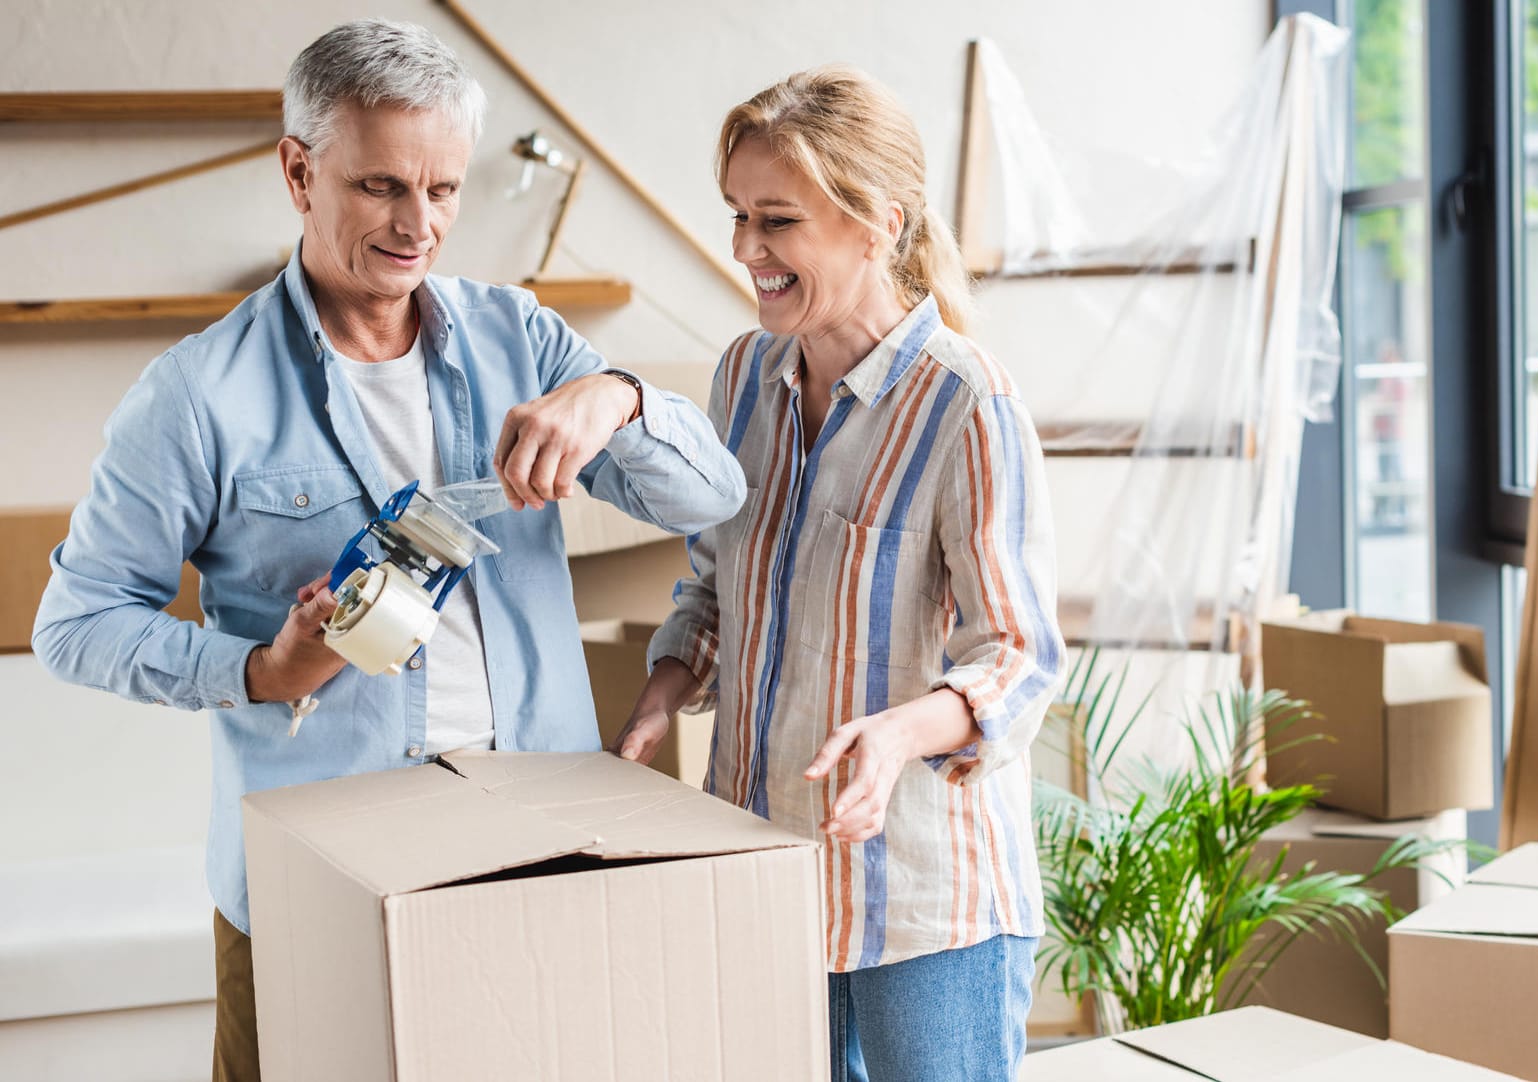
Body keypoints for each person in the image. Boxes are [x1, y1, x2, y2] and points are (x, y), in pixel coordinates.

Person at [31, 20, 743, 1082]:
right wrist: (260, 670)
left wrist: (618, 396)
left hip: (534, 854)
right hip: (314, 883)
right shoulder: (196, 394)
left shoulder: (525, 341)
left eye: (445, 190)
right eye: (381, 188)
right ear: (298, 169)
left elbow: (713, 493)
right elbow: (75, 624)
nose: (420, 226)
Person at [615, 66, 1064, 1082]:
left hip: (923, 909)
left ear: (875, 224)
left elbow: (1021, 657)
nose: (744, 250)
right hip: (762, 877)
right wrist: (668, 685)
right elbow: (715, 582)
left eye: (777, 220)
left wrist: (901, 730)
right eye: (737, 215)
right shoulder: (741, 376)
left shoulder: (966, 402)